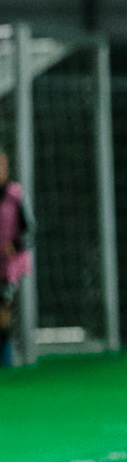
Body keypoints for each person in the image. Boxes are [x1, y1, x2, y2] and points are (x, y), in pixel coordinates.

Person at [0, 147, 30, 368]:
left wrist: (14, 246)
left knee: (3, 310)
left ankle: (4, 358)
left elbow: (30, 229)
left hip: (6, 266)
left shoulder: (15, 195)